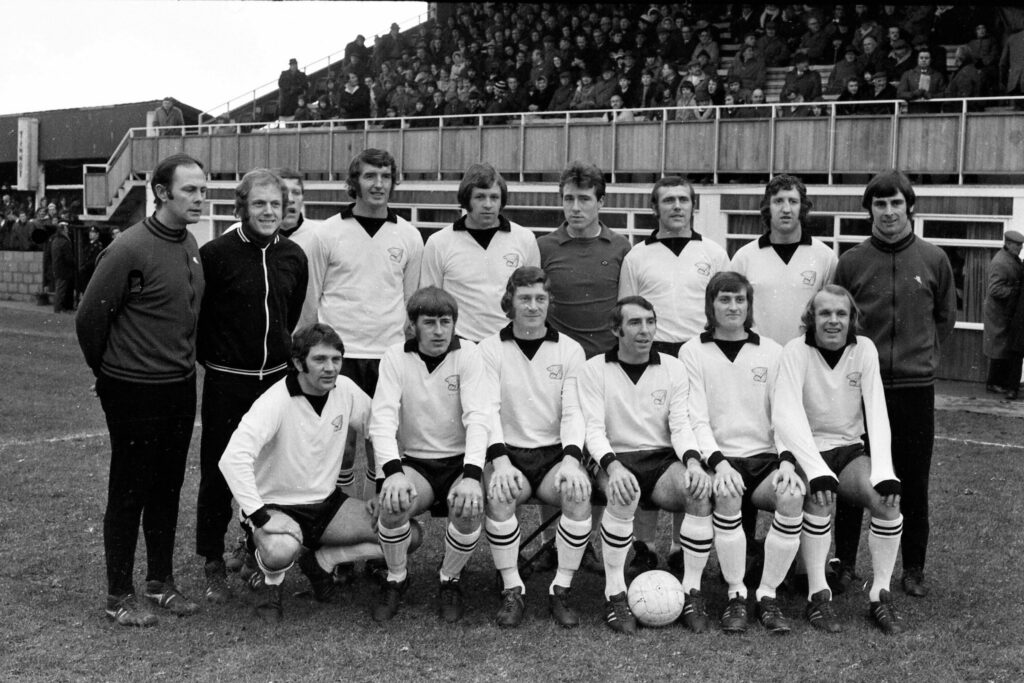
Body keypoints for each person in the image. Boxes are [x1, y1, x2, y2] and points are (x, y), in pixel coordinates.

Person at [76, 154, 207, 627]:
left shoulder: (189, 242)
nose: (198, 198)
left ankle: (160, 583)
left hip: (179, 387)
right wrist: (108, 373)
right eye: (189, 190)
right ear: (161, 192)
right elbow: (90, 319)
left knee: (167, 487)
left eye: (202, 189)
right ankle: (117, 595)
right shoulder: (128, 248)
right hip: (133, 389)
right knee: (129, 489)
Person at [218, 323, 418, 621]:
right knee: (281, 549)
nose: (330, 368)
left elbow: (380, 428)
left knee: (407, 535)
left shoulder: (346, 390)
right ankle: (269, 584)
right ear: (299, 363)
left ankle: (322, 561)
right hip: (276, 505)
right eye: (320, 360)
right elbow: (232, 459)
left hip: (326, 506)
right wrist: (260, 516)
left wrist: (384, 483)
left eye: (336, 359)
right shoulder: (274, 401)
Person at [833, 170, 956, 599]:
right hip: (861, 390)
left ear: (910, 207)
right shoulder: (850, 262)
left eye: (896, 203)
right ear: (869, 209)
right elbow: (839, 320)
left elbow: (945, 319)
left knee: (912, 481)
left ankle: (914, 568)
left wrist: (919, 359)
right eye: (879, 204)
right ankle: (844, 564)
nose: (888, 212)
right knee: (854, 477)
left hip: (914, 390)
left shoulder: (934, 258)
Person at [194, 169, 308, 604]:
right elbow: (200, 319)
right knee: (220, 470)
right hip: (228, 382)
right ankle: (211, 558)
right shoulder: (216, 254)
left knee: (267, 472)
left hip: (275, 384)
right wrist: (221, 361)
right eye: (259, 203)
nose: (268, 211)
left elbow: (290, 315)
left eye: (275, 205)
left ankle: (254, 551)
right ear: (241, 207)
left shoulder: (294, 255)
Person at [773, 285, 906, 635]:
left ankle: (880, 595)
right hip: (806, 447)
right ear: (811, 318)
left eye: (841, 314)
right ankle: (819, 594)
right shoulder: (794, 351)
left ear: (851, 319)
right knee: (819, 499)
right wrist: (815, 470)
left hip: (848, 449)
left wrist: (884, 471)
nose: (833, 321)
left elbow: (876, 408)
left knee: (887, 503)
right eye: (825, 313)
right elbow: (786, 415)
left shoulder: (864, 350)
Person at [578, 296, 713, 634]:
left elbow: (680, 425)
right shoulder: (594, 368)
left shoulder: (673, 366)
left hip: (660, 458)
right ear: (616, 329)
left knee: (696, 490)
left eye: (650, 322)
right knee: (623, 495)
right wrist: (613, 466)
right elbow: (592, 429)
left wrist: (694, 462)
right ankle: (615, 592)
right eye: (635, 323)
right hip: (611, 457)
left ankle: (692, 591)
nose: (645, 330)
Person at [680, 272, 803, 634]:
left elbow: (785, 415)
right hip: (718, 457)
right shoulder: (692, 350)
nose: (732, 306)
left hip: (764, 458)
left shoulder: (772, 351)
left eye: (739, 300)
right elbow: (696, 418)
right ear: (710, 305)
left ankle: (767, 596)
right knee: (728, 495)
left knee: (792, 495)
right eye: (724, 299)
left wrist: (786, 462)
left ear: (749, 305)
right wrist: (718, 464)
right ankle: (736, 595)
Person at [619, 175, 729, 572]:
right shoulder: (637, 256)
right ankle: (644, 545)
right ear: (656, 208)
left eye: (683, 200)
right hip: (653, 353)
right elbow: (627, 308)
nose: (677, 207)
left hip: (697, 353)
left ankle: (684, 548)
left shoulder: (714, 252)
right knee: (650, 446)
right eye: (668, 200)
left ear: (693, 206)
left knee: (690, 447)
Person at [479, 267, 591, 628]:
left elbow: (574, 411)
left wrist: (572, 460)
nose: (532, 306)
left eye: (540, 298)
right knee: (499, 495)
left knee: (577, 493)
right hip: (507, 453)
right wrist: (499, 462)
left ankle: (561, 588)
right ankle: (513, 588)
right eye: (524, 298)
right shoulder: (488, 349)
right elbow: (486, 410)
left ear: (549, 303)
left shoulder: (571, 350)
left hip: (554, 454)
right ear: (510, 301)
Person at [369, 287, 489, 623]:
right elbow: (382, 418)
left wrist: (472, 476)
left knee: (467, 509)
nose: (438, 331)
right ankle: (396, 577)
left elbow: (479, 417)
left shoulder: (469, 353)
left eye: (445, 322)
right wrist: (391, 473)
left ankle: (449, 579)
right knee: (392, 504)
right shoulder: (395, 356)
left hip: (459, 461)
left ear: (454, 324)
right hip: (416, 463)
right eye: (430, 322)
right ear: (413, 325)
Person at [420, 162, 540, 343]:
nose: (488, 204)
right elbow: (430, 302)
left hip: (509, 343)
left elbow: (532, 297)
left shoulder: (525, 239)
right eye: (480, 197)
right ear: (467, 199)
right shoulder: (439, 243)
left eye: (494, 197)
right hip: (459, 345)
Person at [730, 174, 837, 345]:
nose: (786, 209)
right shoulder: (744, 257)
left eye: (793, 201)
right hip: (758, 357)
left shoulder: (825, 256)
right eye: (778, 201)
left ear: (802, 207)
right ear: (768, 207)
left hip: (808, 357)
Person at [983, 230, 1024, 399]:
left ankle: (1003, 383)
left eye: (1021, 245)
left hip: (1007, 311)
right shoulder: (1001, 262)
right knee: (999, 348)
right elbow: (995, 289)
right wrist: (1016, 292)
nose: (1020, 248)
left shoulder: (1011, 258)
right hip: (998, 312)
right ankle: (994, 384)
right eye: (1017, 245)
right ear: (1007, 244)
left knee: (1005, 347)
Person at [49, 220, 75, 313]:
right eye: (66, 228)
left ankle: (59, 308)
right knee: (61, 290)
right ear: (63, 230)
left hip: (57, 268)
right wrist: (74, 263)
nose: (68, 230)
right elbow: (68, 257)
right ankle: (58, 308)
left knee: (59, 288)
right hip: (64, 269)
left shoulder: (55, 240)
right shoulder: (64, 241)